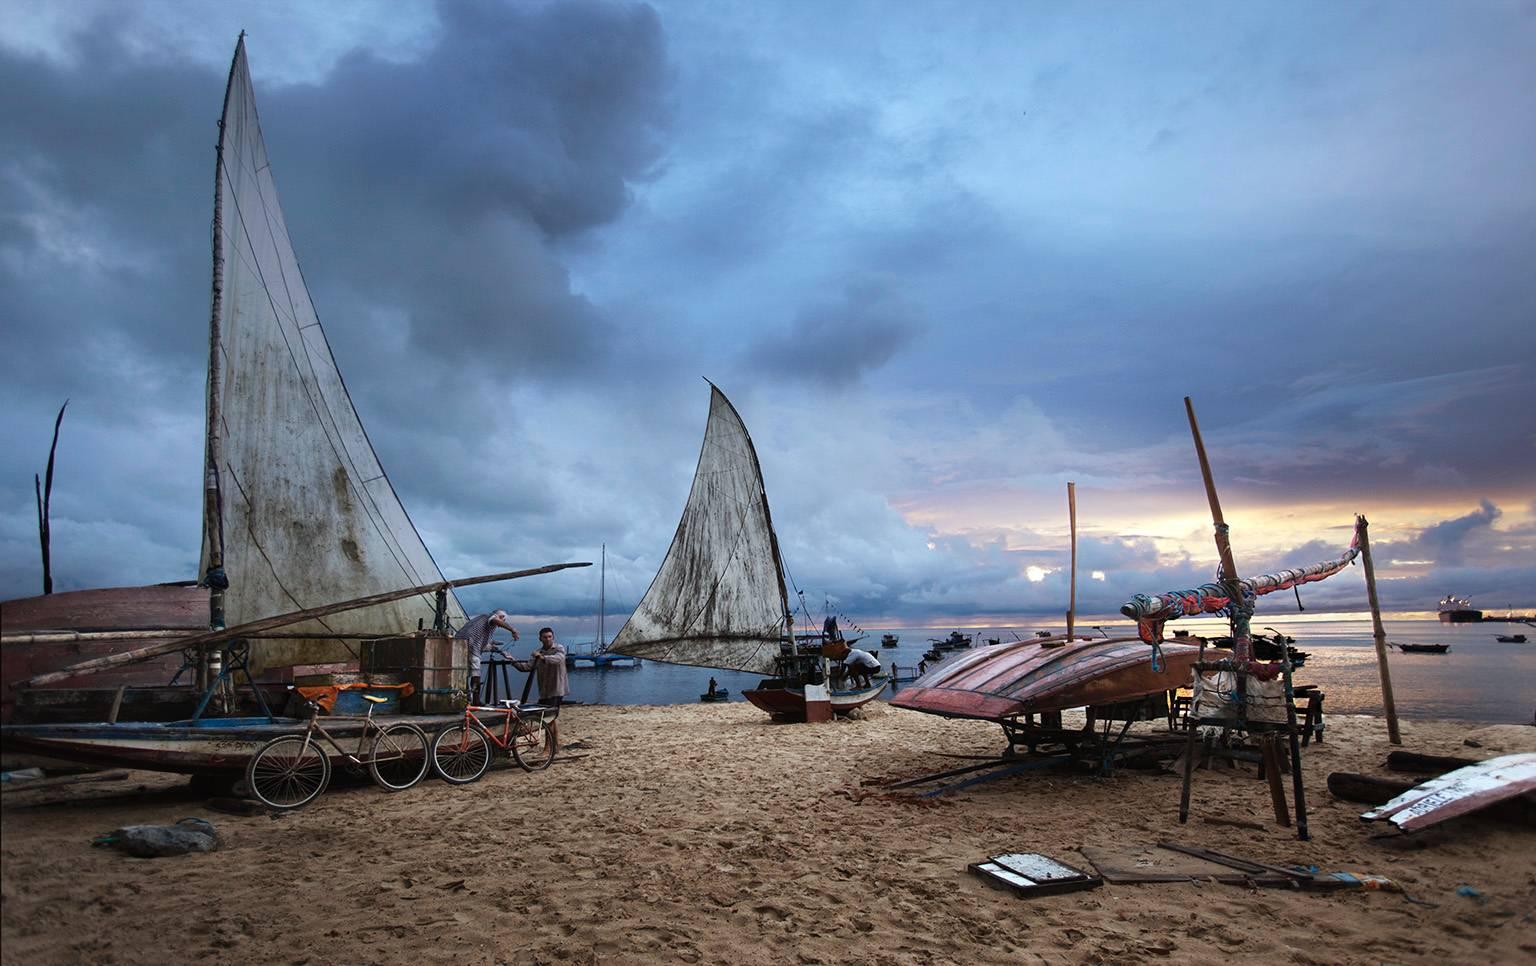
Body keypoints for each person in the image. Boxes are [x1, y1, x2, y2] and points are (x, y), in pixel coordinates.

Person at [513, 627, 569, 747]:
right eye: (545, 637)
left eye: (549, 637)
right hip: (544, 690)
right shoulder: (539, 652)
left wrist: (542, 658)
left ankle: (548, 748)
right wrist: (513, 661)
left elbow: (559, 659)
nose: (547, 639)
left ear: (553, 637)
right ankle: (556, 746)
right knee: (551, 719)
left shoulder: (559, 648)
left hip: (557, 689)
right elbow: (528, 667)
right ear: (540, 638)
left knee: (549, 718)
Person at [454, 609, 519, 703]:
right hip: (471, 646)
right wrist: (512, 630)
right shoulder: (490, 618)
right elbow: (495, 621)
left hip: (459, 645)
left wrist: (500, 651)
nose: (500, 625)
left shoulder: (480, 619)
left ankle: (465, 699)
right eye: (503, 621)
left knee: (464, 674)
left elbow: (485, 644)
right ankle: (476, 701)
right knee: (476, 674)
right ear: (500, 617)